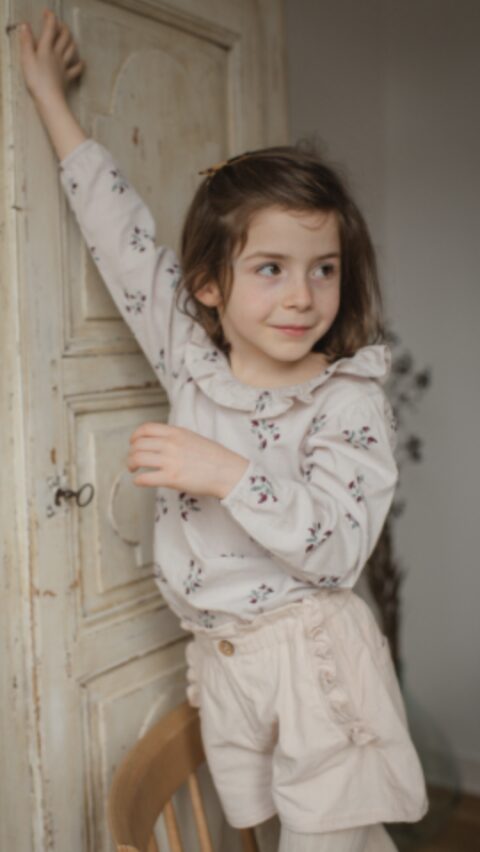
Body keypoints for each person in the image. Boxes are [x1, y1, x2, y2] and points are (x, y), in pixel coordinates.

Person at [19, 9, 428, 851]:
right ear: (209, 285)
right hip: (222, 661)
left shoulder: (346, 400)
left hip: (314, 663)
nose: (302, 296)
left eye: (323, 269)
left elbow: (336, 550)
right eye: (271, 268)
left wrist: (227, 471)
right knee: (278, 835)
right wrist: (50, 100)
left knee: (331, 840)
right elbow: (120, 237)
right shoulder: (192, 359)